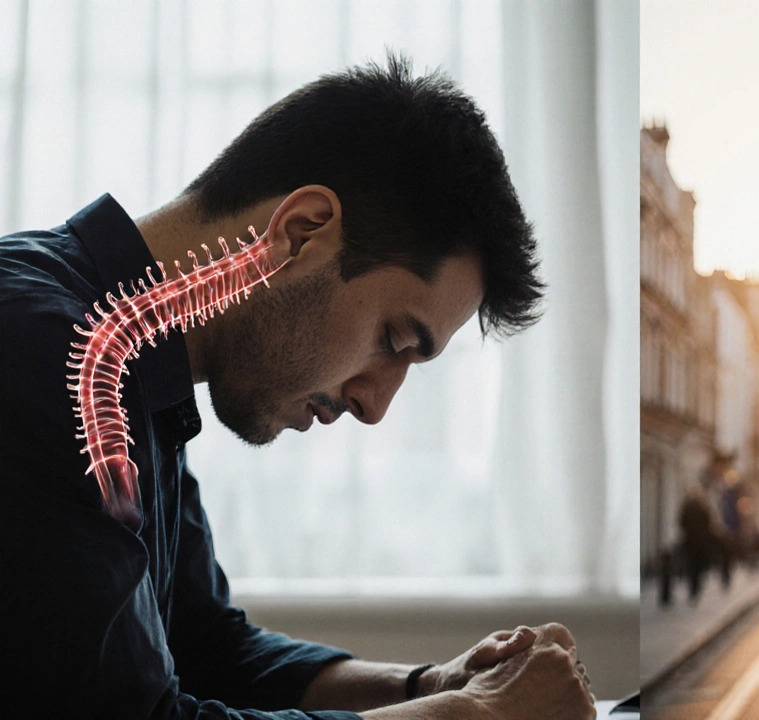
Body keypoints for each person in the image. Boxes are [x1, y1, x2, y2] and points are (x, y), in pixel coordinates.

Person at [0, 55, 595, 720]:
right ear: (301, 232)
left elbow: (209, 650)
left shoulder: (136, 369)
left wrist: (433, 685)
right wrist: (473, 718)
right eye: (393, 342)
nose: (375, 406)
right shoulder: (51, 354)